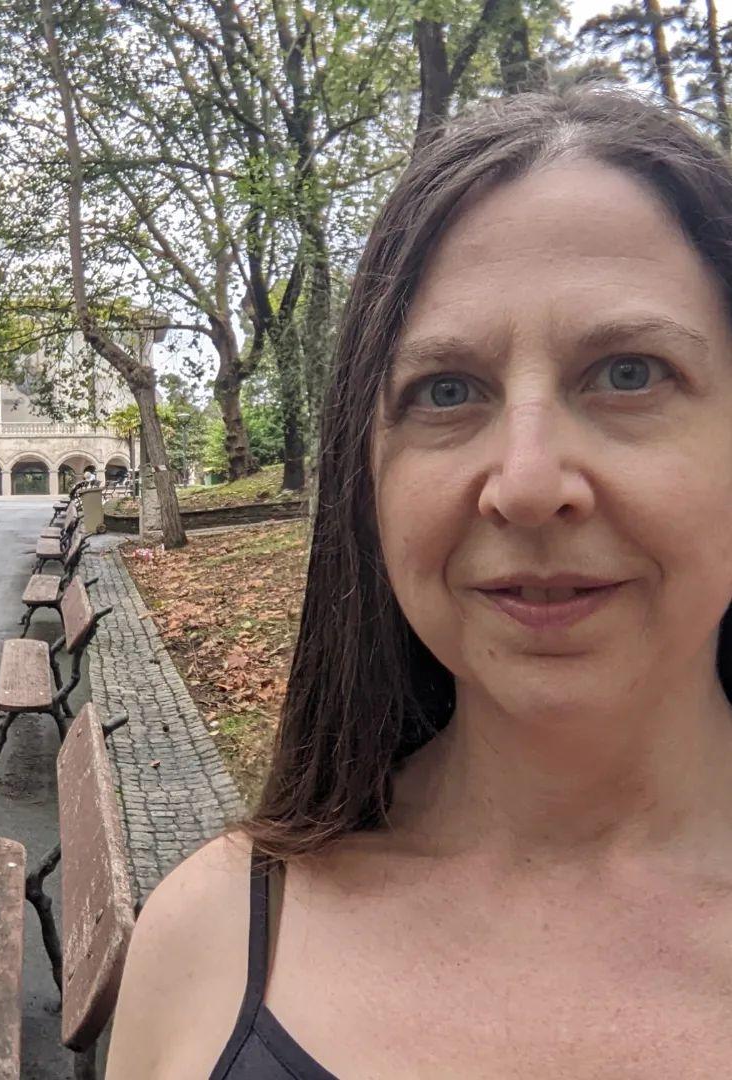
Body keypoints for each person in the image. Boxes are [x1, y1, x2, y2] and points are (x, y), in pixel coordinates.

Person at [105, 86, 732, 1077]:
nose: (526, 484)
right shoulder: (206, 946)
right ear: (371, 473)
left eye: (628, 373)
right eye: (447, 391)